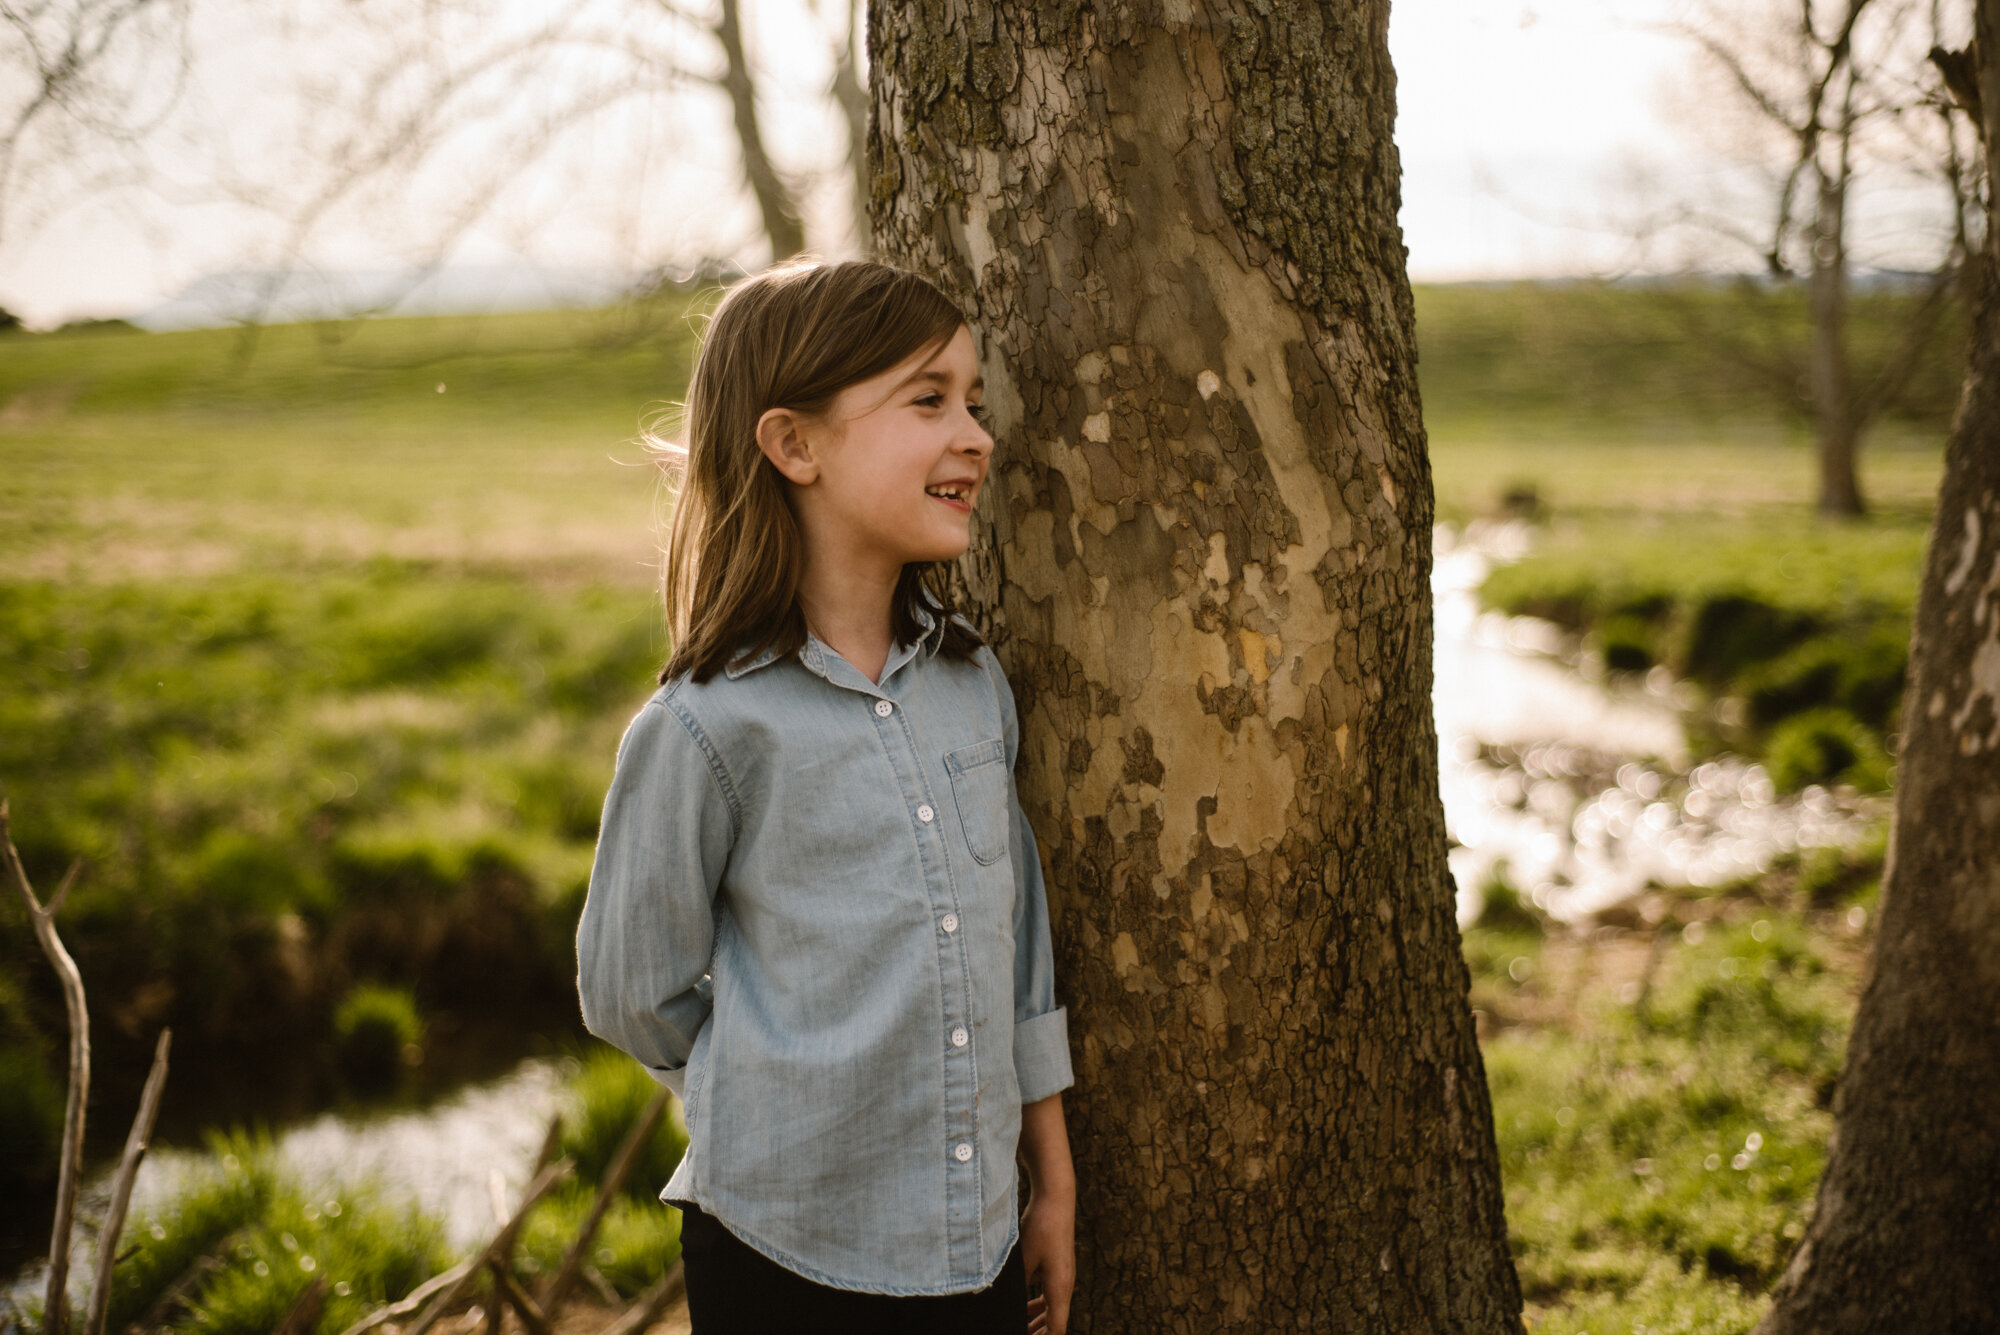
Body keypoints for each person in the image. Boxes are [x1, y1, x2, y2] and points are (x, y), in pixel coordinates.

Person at [575, 256, 1077, 1335]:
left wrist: (1054, 1183)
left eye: (973, 402)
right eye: (928, 400)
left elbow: (1015, 936)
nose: (976, 436)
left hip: (978, 1241)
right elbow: (628, 989)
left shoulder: (970, 685)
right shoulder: (705, 730)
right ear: (793, 443)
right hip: (782, 1254)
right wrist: (774, 1084)